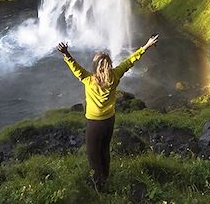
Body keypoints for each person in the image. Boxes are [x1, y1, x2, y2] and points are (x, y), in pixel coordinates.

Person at [56, 34, 159, 191]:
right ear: (109, 65)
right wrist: (146, 46)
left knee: (93, 155)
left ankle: (100, 186)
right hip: (109, 120)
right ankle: (106, 177)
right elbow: (131, 61)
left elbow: (75, 67)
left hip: (94, 123)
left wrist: (66, 54)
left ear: (96, 67)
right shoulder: (115, 76)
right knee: (104, 149)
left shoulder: (88, 80)